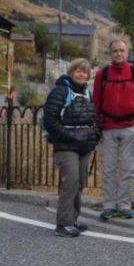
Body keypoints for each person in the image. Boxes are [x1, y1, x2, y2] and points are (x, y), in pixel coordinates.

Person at [43, 58, 100, 237]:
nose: (82, 74)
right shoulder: (60, 92)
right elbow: (50, 120)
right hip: (66, 146)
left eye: (85, 72)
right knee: (70, 182)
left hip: (84, 145)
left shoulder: (86, 93)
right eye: (78, 71)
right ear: (71, 72)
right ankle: (63, 223)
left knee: (80, 183)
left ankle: (72, 220)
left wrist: (94, 136)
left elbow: (93, 119)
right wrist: (71, 136)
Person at [93, 39, 134, 220]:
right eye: (115, 50)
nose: (118, 54)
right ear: (110, 53)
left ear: (127, 53)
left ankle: (124, 205)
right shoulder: (102, 74)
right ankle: (109, 205)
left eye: (122, 51)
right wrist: (99, 121)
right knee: (108, 169)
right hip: (108, 128)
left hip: (130, 128)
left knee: (128, 169)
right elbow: (96, 100)